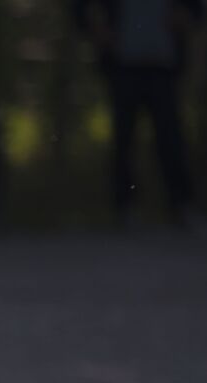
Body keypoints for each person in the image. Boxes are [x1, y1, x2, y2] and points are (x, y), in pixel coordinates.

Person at [76, 0, 203, 226]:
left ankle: (181, 205)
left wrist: (184, 17)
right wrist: (96, 29)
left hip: (163, 66)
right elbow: (79, 8)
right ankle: (124, 207)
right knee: (123, 138)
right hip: (123, 66)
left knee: (170, 136)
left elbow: (196, 10)